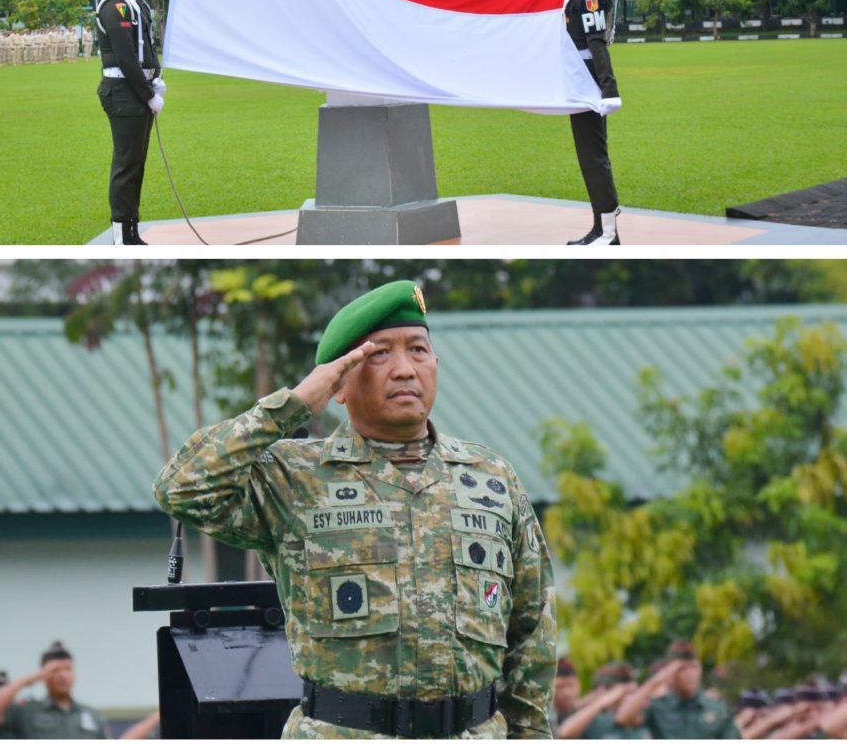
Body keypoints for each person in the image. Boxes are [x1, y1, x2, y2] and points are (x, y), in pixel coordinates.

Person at [154, 280, 557, 739]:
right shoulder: (295, 477)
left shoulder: (491, 478)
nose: (404, 369)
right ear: (338, 383)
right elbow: (179, 488)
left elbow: (532, 631)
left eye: (418, 350)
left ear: (436, 364)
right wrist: (291, 406)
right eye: (379, 354)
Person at [564, 0, 623, 246]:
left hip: (587, 75)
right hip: (582, 73)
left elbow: (597, 41)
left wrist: (608, 89)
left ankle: (609, 233)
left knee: (592, 156)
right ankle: (602, 229)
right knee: (589, 154)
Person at [94, 0, 165, 245]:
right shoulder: (115, 5)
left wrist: (155, 78)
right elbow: (125, 57)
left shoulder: (134, 1)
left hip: (134, 88)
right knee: (126, 165)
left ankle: (131, 230)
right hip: (124, 91)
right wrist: (149, 94)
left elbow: (146, 46)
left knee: (136, 163)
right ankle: (122, 236)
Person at [0, 640, 109, 739]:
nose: (63, 676)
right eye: (55, 670)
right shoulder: (28, 711)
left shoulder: (92, 716)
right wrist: (28, 679)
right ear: (44, 675)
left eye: (68, 669)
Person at [613, 640, 738, 738]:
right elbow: (623, 718)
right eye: (682, 669)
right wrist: (657, 680)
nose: (690, 674)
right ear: (670, 673)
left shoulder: (717, 709)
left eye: (694, 667)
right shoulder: (658, 707)